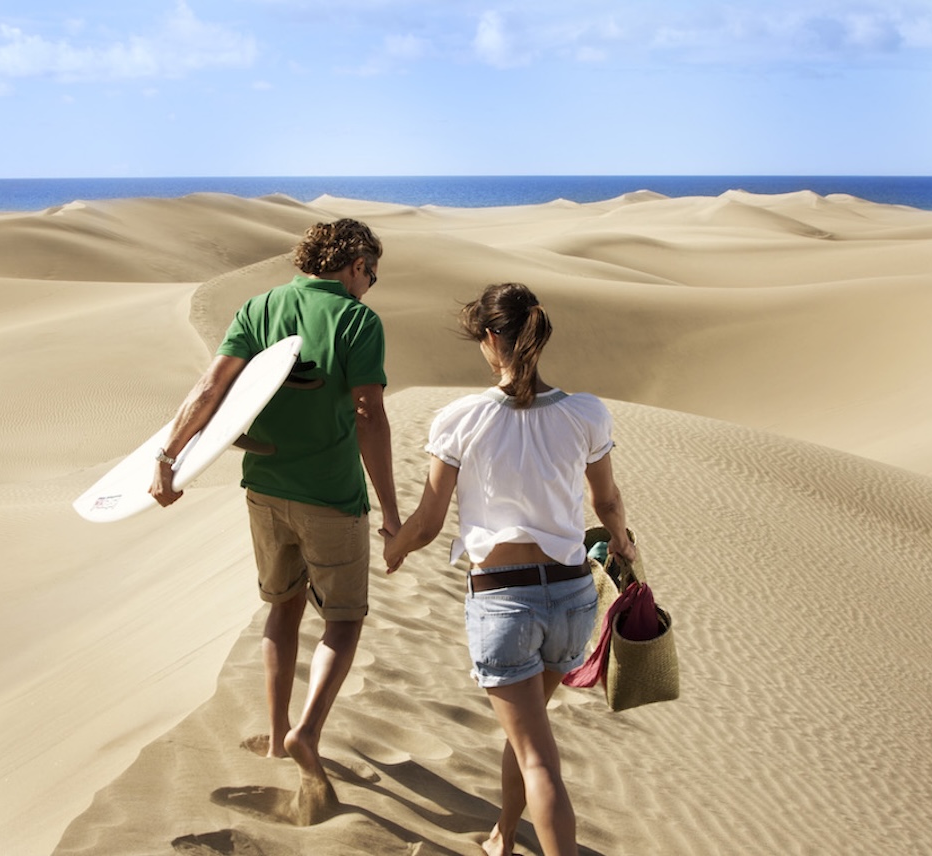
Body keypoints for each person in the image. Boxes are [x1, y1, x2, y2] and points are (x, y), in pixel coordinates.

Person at [150, 218, 400, 822]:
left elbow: (211, 387)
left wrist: (167, 457)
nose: (370, 285)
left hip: (264, 490)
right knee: (342, 619)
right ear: (355, 263)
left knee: (281, 606)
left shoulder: (259, 306)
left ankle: (276, 727)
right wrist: (392, 512)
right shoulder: (357, 321)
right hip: (332, 497)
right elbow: (370, 415)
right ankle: (306, 731)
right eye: (372, 273)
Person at [382, 283, 636, 856]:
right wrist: (621, 542)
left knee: (539, 758)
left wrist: (395, 548)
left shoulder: (460, 418)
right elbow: (608, 503)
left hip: (504, 601)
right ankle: (503, 833)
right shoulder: (586, 413)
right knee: (528, 734)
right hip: (572, 598)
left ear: (492, 338)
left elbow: (427, 521)